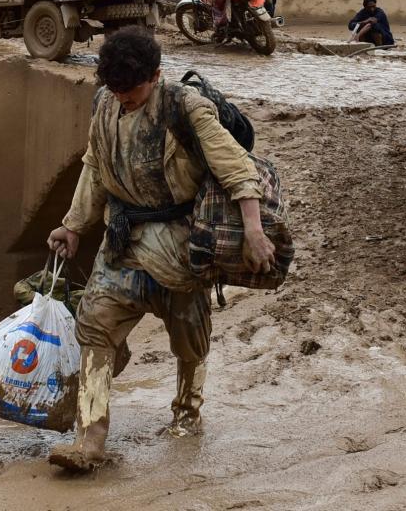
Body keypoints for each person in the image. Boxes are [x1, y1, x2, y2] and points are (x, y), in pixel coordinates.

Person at [46, 27, 276, 472]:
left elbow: (236, 168)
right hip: (122, 244)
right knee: (93, 325)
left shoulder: (185, 107)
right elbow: (95, 167)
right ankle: (89, 439)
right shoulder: (105, 103)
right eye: (114, 89)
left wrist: (253, 230)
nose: (123, 98)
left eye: (130, 90)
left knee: (190, 340)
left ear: (156, 75)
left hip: (181, 249)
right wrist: (73, 225)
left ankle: (187, 412)